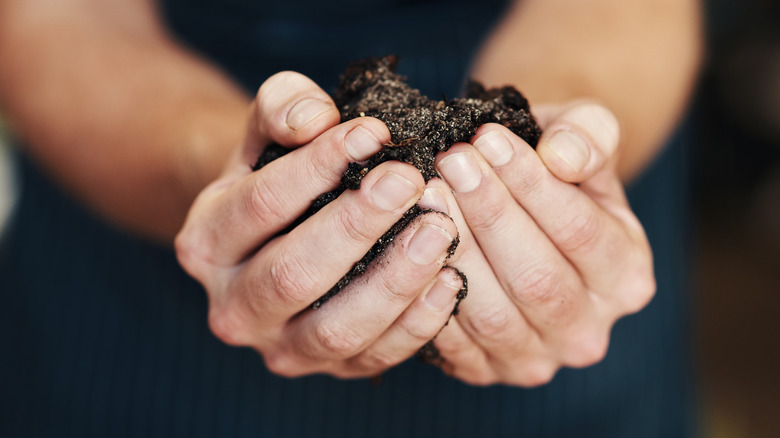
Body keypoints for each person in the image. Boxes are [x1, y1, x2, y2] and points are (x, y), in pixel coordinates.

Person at [0, 0, 702, 436]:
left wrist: (558, 157)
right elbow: (58, 14)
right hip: (135, 339)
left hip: (554, 355)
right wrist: (227, 174)